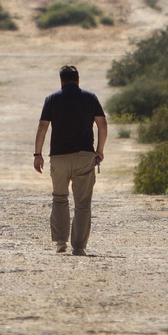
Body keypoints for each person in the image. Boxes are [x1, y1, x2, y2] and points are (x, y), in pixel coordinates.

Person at [33, 64, 107, 255]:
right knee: (82, 204)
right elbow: (102, 124)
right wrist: (99, 150)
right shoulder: (90, 98)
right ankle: (79, 246)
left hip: (59, 157)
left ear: (61, 81)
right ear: (78, 79)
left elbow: (42, 127)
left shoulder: (52, 99)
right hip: (84, 156)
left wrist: (38, 154)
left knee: (59, 198)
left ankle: (60, 240)